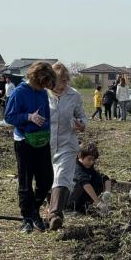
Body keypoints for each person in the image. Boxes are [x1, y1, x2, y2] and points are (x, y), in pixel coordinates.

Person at [4, 61, 57, 233]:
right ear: (36, 78)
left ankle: (34, 211)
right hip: (24, 141)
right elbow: (9, 117)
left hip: (42, 140)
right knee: (26, 180)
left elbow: (46, 115)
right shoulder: (19, 93)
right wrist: (28, 117)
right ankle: (26, 218)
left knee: (47, 178)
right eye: (42, 83)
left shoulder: (42, 93)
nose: (44, 87)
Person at [46, 62, 86, 230]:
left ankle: (56, 213)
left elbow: (82, 117)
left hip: (67, 143)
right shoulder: (42, 94)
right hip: (45, 143)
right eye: (59, 81)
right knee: (48, 178)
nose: (62, 85)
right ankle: (49, 210)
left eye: (65, 81)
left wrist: (81, 124)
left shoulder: (74, 95)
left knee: (62, 176)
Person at [67, 143, 113, 214]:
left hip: (81, 201)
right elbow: (86, 184)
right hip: (68, 199)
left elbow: (104, 178)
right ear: (80, 156)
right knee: (80, 183)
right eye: (89, 159)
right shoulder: (76, 167)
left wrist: (107, 192)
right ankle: (68, 209)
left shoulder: (89, 168)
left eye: (93, 160)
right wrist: (98, 203)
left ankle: (83, 207)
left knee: (98, 180)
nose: (92, 162)